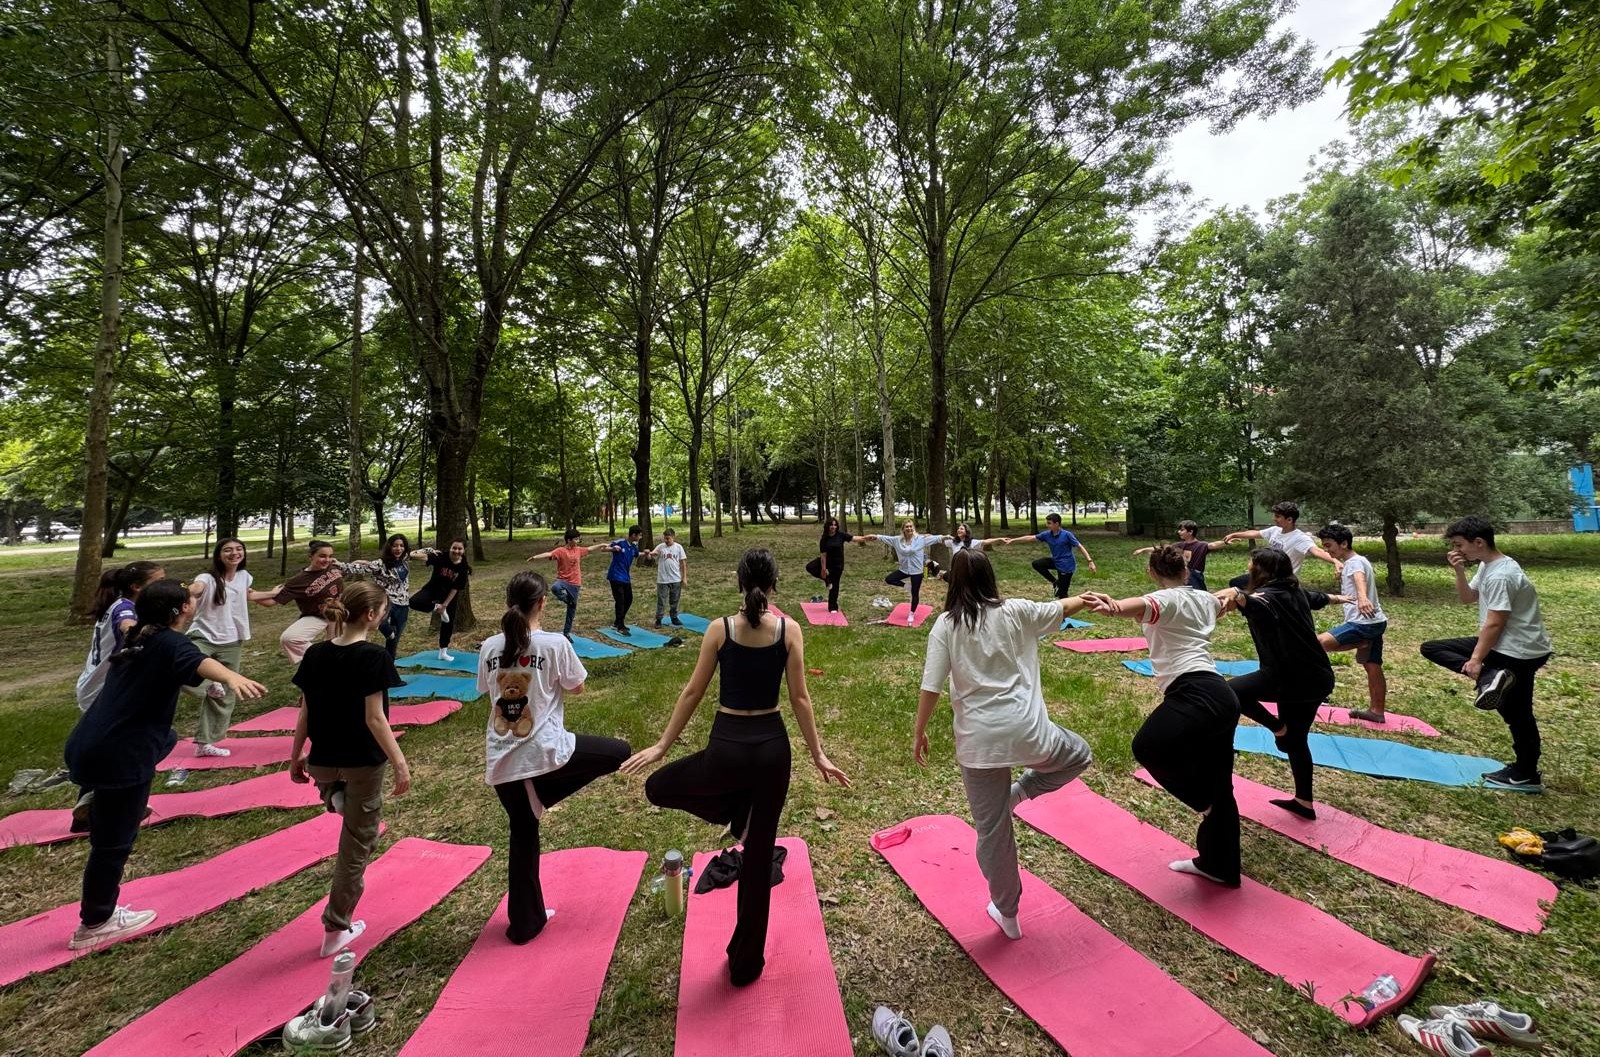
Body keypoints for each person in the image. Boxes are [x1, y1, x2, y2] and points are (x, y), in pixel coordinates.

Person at [621, 548, 850, 986]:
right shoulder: (789, 630)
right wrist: (817, 754)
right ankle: (746, 966)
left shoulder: (720, 629)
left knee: (658, 786)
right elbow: (800, 699)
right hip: (772, 753)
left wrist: (663, 746)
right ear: (775, 584)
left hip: (727, 749)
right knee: (758, 860)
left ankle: (736, 816)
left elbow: (692, 692)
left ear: (739, 581)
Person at [63, 579, 267, 950]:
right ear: (183, 609)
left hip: (89, 743)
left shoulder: (138, 636)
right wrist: (231, 676)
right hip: (122, 754)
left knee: (168, 738)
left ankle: (96, 798)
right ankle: (96, 921)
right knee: (113, 844)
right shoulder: (171, 642)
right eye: (189, 598)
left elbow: (181, 667)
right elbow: (198, 661)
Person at [914, 550, 1094, 940]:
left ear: (953, 582)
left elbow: (931, 686)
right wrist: (1086, 598)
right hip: (1030, 734)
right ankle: (1020, 793)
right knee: (1079, 754)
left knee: (993, 830)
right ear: (990, 577)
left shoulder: (946, 624)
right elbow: (1060, 607)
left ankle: (1008, 913)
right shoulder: (1017, 611)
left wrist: (919, 731)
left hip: (979, 745)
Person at [477, 572, 630, 943]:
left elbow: (485, 688)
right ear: (543, 603)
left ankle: (525, 923)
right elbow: (577, 687)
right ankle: (541, 793)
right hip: (544, 754)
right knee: (619, 752)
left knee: (523, 833)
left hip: (501, 761)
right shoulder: (555, 643)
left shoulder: (489, 647)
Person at [1084, 546, 1241, 886]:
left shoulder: (1162, 600)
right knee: (1220, 784)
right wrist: (1235, 593)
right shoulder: (1204, 600)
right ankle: (1220, 866)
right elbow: (1226, 601)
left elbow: (1133, 606)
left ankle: (1205, 805)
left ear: (1152, 573)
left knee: (1147, 747)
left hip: (1194, 691)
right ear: (1186, 572)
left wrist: (1111, 607)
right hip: (1221, 694)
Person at [289, 581, 410, 957]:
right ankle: (336, 928)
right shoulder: (374, 656)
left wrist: (296, 754)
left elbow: (305, 710)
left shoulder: (315, 654)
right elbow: (375, 718)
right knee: (358, 846)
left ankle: (334, 796)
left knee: (343, 800)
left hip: (323, 761)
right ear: (371, 615)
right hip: (362, 762)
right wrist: (400, 762)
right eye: (384, 610)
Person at [1421, 516, 1553, 793]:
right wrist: (1458, 571)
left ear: (1479, 542)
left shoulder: (1501, 575)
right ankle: (1490, 677)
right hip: (1511, 645)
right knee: (1432, 648)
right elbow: (1468, 598)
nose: (1456, 550)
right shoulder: (1488, 565)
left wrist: (1476, 659)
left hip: (1516, 650)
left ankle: (1526, 773)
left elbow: (1495, 622)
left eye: (1459, 545)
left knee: (1517, 713)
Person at [1215, 549, 1342, 820]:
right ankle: (1304, 802)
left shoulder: (1264, 599)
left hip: (1287, 678)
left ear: (1261, 570)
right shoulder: (1296, 592)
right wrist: (1339, 598)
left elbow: (1249, 600)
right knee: (1295, 741)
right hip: (1317, 678)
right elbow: (1319, 598)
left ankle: (1278, 727)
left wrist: (1235, 595)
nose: (1247, 566)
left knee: (1229, 692)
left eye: (1251, 563)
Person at [183, 539, 275, 756]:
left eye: (239, 549)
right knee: (183, 669)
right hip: (203, 635)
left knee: (225, 693)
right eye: (228, 550)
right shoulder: (206, 578)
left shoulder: (244, 576)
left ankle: (205, 744)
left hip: (233, 639)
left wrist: (274, 593)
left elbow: (248, 594)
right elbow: (196, 589)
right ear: (219, 555)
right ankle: (209, 683)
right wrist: (185, 591)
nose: (234, 553)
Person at [1314, 524, 1389, 723]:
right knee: (1372, 665)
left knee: (1316, 644)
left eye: (1329, 545)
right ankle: (1377, 712)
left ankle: (1320, 693)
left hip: (1363, 623)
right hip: (1375, 621)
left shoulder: (1354, 563)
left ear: (1344, 543)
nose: (1327, 550)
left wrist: (1362, 597)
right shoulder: (1355, 561)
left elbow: (1359, 578)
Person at [76, 561, 163, 713]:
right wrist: (140, 630)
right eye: (159, 581)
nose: (164, 586)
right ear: (137, 587)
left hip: (101, 685)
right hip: (101, 689)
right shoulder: (124, 607)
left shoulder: (124, 604)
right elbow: (127, 624)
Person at [260, 540, 346, 666]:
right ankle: (317, 659)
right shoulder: (298, 580)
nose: (327, 560)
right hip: (317, 616)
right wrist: (250, 594)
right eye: (322, 556)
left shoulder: (333, 566)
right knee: (289, 638)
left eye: (330, 556)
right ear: (311, 556)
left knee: (340, 651)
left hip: (339, 614)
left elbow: (352, 568)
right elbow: (270, 602)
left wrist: (364, 564)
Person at [1220, 502, 1342, 587]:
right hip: (1266, 576)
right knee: (1236, 583)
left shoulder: (1300, 538)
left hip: (1282, 581)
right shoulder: (1275, 530)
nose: (1274, 519)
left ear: (1289, 519)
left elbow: (1317, 551)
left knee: (1241, 588)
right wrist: (1235, 534)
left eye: (1278, 516)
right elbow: (1255, 533)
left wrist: (1336, 561)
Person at [336, 534, 414, 658]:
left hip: (403, 603)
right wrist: (340, 564)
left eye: (401, 545)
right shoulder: (380, 563)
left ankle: (389, 663)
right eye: (395, 546)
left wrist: (431, 551)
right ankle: (389, 633)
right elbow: (360, 569)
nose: (398, 549)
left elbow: (418, 553)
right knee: (383, 625)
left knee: (394, 638)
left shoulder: (404, 559)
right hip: (387, 600)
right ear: (389, 547)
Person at [526, 530, 609, 639]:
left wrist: (601, 544)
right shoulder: (560, 551)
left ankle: (566, 632)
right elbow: (549, 554)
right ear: (569, 540)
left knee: (571, 610)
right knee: (555, 588)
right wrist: (535, 557)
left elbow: (589, 549)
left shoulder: (578, 550)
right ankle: (567, 599)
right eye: (576, 539)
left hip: (575, 583)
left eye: (578, 539)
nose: (578, 541)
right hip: (563, 580)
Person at [856, 519, 945, 614]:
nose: (909, 528)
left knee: (915, 593)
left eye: (911, 526)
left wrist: (947, 537)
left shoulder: (921, 539)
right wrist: (875, 536)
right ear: (903, 529)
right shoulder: (897, 540)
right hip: (904, 569)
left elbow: (937, 538)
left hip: (917, 571)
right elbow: (885, 538)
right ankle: (907, 586)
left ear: (913, 528)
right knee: (889, 579)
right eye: (907, 527)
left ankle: (911, 613)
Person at [1003, 513, 1096, 598]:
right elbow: (1031, 538)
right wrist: (1013, 540)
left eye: (1049, 523)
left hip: (1066, 566)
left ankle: (1065, 607)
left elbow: (1080, 547)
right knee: (1037, 564)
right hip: (1056, 561)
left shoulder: (1067, 535)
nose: (1047, 525)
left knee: (1062, 594)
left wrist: (1090, 561)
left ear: (1057, 524)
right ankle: (1055, 582)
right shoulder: (1047, 534)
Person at [407, 539, 471, 661]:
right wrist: (428, 550)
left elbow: (455, 588)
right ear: (450, 548)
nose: (456, 551)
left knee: (448, 623)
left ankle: (443, 652)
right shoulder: (441, 556)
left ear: (463, 550)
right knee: (413, 602)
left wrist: (445, 605)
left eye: (460, 549)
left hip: (448, 596)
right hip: (432, 589)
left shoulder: (463, 567)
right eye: (454, 548)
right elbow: (412, 555)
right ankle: (436, 607)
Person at [1133, 520, 1223, 590]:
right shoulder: (1179, 545)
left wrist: (1225, 542)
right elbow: (1163, 548)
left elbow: (1213, 545)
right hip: (1181, 573)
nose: (1179, 532)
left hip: (1195, 575)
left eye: (1182, 530)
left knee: (1199, 593)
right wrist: (1143, 550)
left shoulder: (1201, 545)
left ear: (1190, 532)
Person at [601, 525, 643, 635]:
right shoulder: (620, 542)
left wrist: (648, 553)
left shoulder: (633, 546)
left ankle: (617, 622)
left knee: (629, 599)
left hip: (625, 577)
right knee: (620, 600)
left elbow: (637, 554)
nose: (640, 537)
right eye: (639, 535)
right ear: (633, 535)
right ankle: (620, 627)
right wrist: (613, 549)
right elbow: (603, 549)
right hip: (615, 576)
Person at [805, 516, 853, 611]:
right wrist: (823, 569)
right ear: (828, 526)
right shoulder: (824, 539)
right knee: (810, 567)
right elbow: (823, 555)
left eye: (835, 525)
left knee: (835, 586)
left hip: (838, 565)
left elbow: (853, 538)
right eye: (831, 525)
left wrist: (866, 538)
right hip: (827, 562)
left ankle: (832, 607)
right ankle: (827, 579)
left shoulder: (841, 535)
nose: (833, 527)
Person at [931, 522, 998, 582]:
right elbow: (940, 541)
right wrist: (932, 537)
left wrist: (999, 539)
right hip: (956, 568)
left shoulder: (972, 542)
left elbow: (986, 541)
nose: (959, 530)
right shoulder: (954, 542)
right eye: (958, 529)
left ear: (966, 532)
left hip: (968, 570)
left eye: (961, 529)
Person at [651, 527, 688, 628]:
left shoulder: (678, 547)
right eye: (665, 538)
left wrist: (684, 577)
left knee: (674, 600)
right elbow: (653, 555)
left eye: (668, 538)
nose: (666, 540)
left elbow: (683, 563)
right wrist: (649, 554)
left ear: (673, 537)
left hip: (675, 578)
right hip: (662, 579)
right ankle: (659, 619)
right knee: (661, 600)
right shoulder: (660, 547)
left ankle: (674, 617)